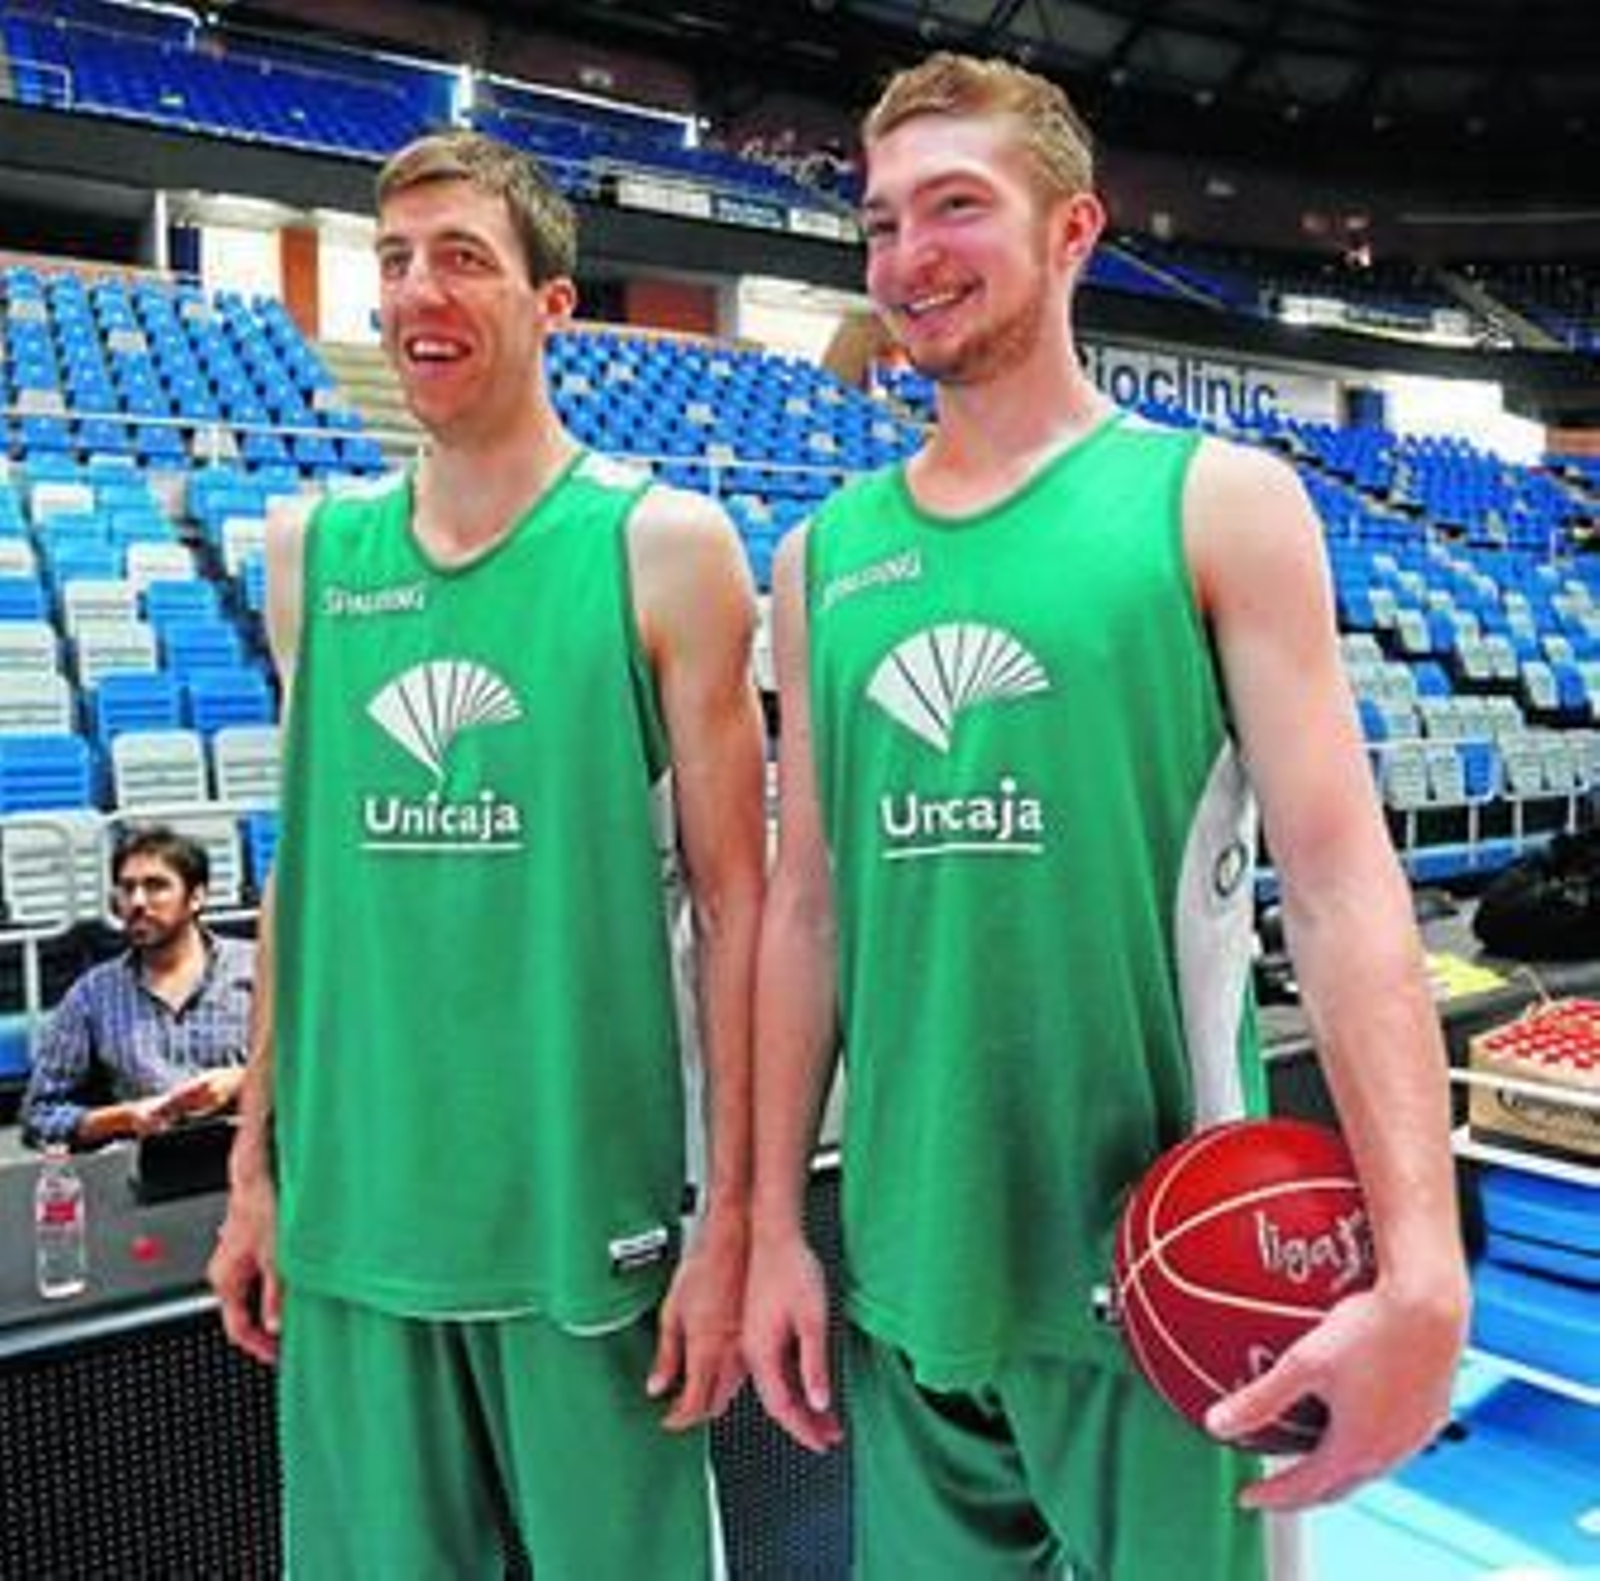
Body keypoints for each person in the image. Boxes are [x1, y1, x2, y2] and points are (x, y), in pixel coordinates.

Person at [743, 52, 1470, 1580]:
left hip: (1166, 1283)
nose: (909, 256)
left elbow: (1341, 885)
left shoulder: (1217, 502)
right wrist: (768, 1228)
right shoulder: (821, 558)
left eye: (957, 206)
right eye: (881, 222)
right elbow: (807, 909)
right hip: (913, 1281)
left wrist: (1422, 1262)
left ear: (1074, 230)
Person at [207, 131, 765, 1578]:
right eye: (394, 261)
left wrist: (734, 1221)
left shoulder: (666, 547)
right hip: (353, 1227)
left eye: (460, 258)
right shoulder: (310, 554)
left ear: (551, 304)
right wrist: (254, 1169)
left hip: (587, 1227)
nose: (417, 293)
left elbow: (740, 912)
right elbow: (301, 889)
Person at [21, 825, 253, 1148]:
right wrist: (124, 1118)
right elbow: (39, 1115)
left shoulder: (257, 970)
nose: (137, 901)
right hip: (151, 1168)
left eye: (156, 886)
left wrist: (245, 1081)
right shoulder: (92, 995)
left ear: (196, 897)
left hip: (259, 1157)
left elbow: (319, 1069)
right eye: (127, 888)